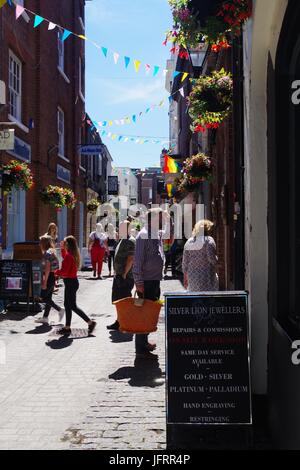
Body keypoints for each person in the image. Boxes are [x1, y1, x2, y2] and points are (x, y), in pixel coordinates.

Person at [133, 208, 165, 358]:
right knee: (142, 315)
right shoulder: (143, 235)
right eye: (160, 218)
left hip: (154, 281)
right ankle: (140, 348)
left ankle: (144, 342)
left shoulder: (156, 234)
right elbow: (137, 261)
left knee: (150, 314)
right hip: (145, 282)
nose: (162, 221)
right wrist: (138, 282)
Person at [55, 236, 97, 335]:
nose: (63, 244)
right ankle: (67, 327)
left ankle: (90, 322)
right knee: (67, 305)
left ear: (68, 245)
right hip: (71, 282)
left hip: (70, 283)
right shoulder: (70, 255)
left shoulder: (69, 257)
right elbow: (64, 256)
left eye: (64, 243)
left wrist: (55, 272)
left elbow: (64, 272)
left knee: (72, 306)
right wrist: (61, 248)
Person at [107, 220, 136, 331]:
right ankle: (119, 321)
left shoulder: (130, 241)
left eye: (122, 227)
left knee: (125, 301)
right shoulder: (122, 240)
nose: (119, 229)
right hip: (119, 275)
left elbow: (131, 259)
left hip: (126, 276)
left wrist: (124, 273)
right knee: (118, 300)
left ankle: (126, 322)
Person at [34, 235, 65, 324]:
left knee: (43, 297)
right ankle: (45, 318)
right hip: (52, 276)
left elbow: (47, 268)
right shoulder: (51, 251)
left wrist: (45, 282)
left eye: (40, 242)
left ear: (44, 243)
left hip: (49, 276)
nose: (39, 244)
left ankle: (59, 309)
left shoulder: (47, 253)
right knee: (48, 297)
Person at [182, 219, 219, 292]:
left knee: (195, 297)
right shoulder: (208, 240)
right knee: (207, 297)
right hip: (206, 275)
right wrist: (218, 261)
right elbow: (212, 259)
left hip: (192, 275)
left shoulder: (189, 242)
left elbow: (185, 262)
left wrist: (185, 277)